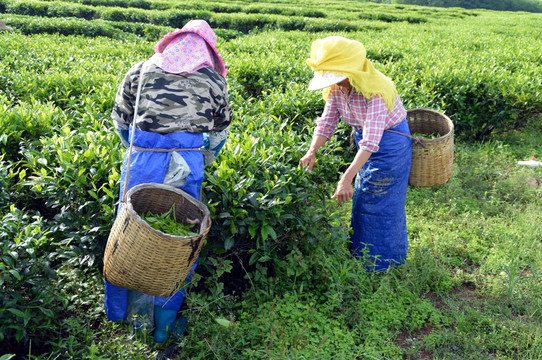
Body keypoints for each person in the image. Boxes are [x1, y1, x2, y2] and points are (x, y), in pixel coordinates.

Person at [104, 20, 232, 343]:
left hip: (141, 161)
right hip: (186, 165)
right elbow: (219, 136)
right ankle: (163, 327)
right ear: (206, 51)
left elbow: (120, 121)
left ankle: (126, 319)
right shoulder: (214, 82)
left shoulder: (141, 70)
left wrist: (144, 149)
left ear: (172, 44)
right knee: (178, 245)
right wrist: (201, 155)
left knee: (132, 236)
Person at [300, 36, 412, 271]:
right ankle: (362, 255)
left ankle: (382, 263)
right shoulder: (337, 88)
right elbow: (327, 122)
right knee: (364, 197)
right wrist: (312, 152)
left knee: (380, 200)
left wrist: (346, 178)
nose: (335, 82)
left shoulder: (376, 90)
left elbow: (372, 141)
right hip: (366, 141)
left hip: (391, 144)